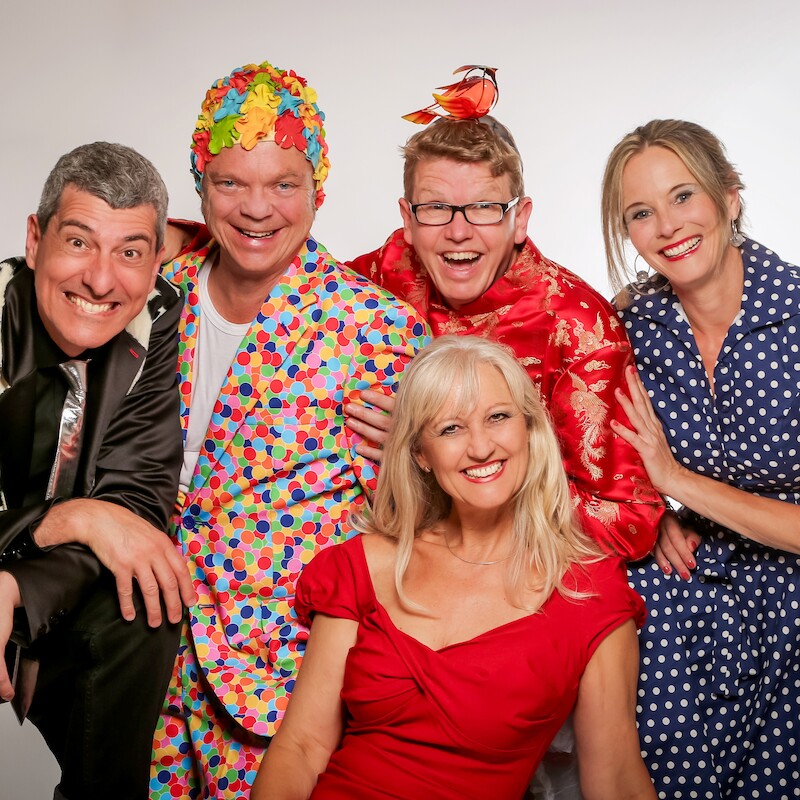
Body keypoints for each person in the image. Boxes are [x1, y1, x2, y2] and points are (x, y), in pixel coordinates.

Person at [149, 60, 429, 799]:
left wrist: (418, 452)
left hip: (284, 691)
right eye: (230, 182)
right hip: (142, 661)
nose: (256, 208)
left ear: (317, 191)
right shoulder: (152, 296)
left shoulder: (376, 329)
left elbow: (419, 527)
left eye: (283, 184)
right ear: (200, 183)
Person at [252, 335, 655, 800]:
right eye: (450, 429)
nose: (480, 447)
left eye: (498, 417)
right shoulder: (363, 565)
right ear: (420, 454)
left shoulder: (588, 591)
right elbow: (302, 747)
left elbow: (617, 778)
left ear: (530, 429)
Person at [346, 109, 663, 562]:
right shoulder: (374, 279)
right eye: (435, 208)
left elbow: (627, 524)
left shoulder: (578, 328)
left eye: (484, 208)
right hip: (383, 558)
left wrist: (438, 453)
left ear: (520, 218)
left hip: (519, 575)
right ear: (408, 219)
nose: (458, 232)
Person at [601, 118, 800, 798]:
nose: (667, 226)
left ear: (730, 196)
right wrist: (649, 509)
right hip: (688, 593)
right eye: (640, 213)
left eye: (683, 196)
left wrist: (677, 482)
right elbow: (581, 452)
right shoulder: (629, 328)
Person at [0, 142, 195, 799]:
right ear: (35, 240)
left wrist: (19, 585)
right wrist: (74, 519)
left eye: (130, 252)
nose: (102, 281)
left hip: (35, 581)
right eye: (79, 242)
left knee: (145, 596)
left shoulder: (154, 319)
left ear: (158, 260)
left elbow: (133, 505)